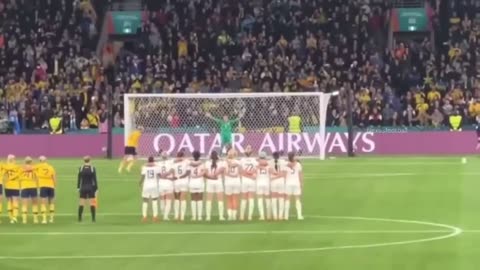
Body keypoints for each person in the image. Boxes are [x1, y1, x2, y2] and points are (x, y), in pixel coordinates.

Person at [35, 156, 57, 224]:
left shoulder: (38, 167)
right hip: (51, 186)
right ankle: (51, 218)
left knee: (43, 202)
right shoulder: (50, 167)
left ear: (40, 160)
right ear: (46, 160)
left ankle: (44, 219)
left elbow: (35, 175)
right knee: (51, 202)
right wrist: (54, 185)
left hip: (43, 186)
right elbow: (54, 177)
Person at [205, 151, 225, 221]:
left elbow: (206, 173)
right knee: (220, 201)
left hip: (210, 182)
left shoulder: (207, 163)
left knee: (209, 201)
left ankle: (208, 217)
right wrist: (215, 175)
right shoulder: (221, 163)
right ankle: (221, 216)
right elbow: (222, 170)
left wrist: (211, 177)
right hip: (218, 182)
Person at [139, 156, 161, 223]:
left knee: (145, 201)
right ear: (153, 161)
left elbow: (142, 177)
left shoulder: (144, 168)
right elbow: (159, 175)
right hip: (154, 185)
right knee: (155, 201)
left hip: (146, 186)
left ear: (148, 161)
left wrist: (140, 183)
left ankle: (144, 217)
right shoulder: (156, 167)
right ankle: (155, 217)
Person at [77, 156, 98, 222]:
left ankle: (80, 218)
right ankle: (93, 218)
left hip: (83, 187)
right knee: (92, 203)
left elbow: (79, 179)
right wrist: (96, 188)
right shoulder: (92, 168)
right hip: (91, 187)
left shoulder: (81, 168)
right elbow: (95, 179)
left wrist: (78, 187)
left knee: (81, 203)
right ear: (90, 160)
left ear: (84, 161)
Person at [239, 145, 258, 221]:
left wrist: (246, 175)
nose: (248, 149)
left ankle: (242, 216)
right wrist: (251, 176)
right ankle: (249, 216)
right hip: (252, 181)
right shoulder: (254, 161)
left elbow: (241, 172)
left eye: (248, 148)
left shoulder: (242, 160)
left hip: (244, 181)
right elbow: (255, 171)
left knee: (244, 199)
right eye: (248, 148)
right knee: (251, 199)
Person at [19, 157, 39, 224]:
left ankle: (24, 220)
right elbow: (37, 177)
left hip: (24, 187)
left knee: (24, 203)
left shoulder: (21, 168)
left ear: (25, 162)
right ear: (31, 162)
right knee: (34, 203)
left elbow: (19, 178)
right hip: (33, 186)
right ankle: (35, 219)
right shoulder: (34, 168)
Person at [284, 152, 304, 220]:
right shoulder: (298, 164)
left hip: (288, 183)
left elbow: (284, 175)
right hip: (296, 183)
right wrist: (301, 183)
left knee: (287, 199)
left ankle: (286, 216)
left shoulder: (286, 164)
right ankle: (299, 216)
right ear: (293, 157)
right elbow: (300, 175)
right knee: (297, 199)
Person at [156, 151, 175, 221]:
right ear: (167, 156)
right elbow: (172, 170)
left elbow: (158, 174)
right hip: (169, 183)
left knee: (162, 199)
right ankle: (165, 216)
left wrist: (162, 176)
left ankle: (163, 212)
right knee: (168, 200)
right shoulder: (171, 162)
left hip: (161, 183)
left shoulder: (158, 163)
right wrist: (166, 176)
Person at [224, 149, 242, 221]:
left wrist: (227, 160)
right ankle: (234, 216)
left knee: (229, 199)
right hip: (236, 182)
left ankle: (230, 216)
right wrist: (235, 176)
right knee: (235, 199)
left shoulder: (225, 162)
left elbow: (225, 173)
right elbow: (240, 172)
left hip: (228, 182)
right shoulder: (238, 162)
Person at [173, 150, 190, 221]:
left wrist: (177, 177)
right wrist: (182, 176)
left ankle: (176, 215)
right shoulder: (187, 162)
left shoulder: (174, 163)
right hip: (184, 182)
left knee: (176, 199)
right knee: (183, 199)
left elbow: (173, 172)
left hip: (176, 182)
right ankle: (182, 216)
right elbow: (188, 172)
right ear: (183, 156)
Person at [3, 155, 21, 223]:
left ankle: (11, 217)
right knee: (15, 201)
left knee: (9, 201)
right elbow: (20, 175)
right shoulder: (17, 167)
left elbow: (3, 175)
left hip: (8, 186)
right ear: (14, 159)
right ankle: (14, 217)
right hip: (15, 186)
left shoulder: (5, 167)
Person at [188, 150, 205, 221]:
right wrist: (198, 176)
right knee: (200, 199)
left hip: (192, 182)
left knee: (193, 199)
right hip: (200, 182)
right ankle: (200, 216)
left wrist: (193, 176)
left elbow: (188, 172)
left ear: (193, 156)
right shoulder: (202, 163)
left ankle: (194, 216)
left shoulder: (189, 163)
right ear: (199, 156)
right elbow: (204, 172)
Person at [270, 152, 287, 221]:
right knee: (281, 198)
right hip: (281, 182)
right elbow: (283, 174)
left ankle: (275, 216)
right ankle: (280, 216)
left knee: (274, 199)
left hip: (273, 182)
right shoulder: (283, 162)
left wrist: (274, 178)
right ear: (279, 156)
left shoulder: (270, 162)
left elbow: (271, 171)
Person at [256, 152, 271, 221]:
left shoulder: (257, 164)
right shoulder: (268, 164)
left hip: (259, 183)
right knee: (267, 199)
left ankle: (262, 216)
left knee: (260, 199)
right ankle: (268, 215)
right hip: (266, 183)